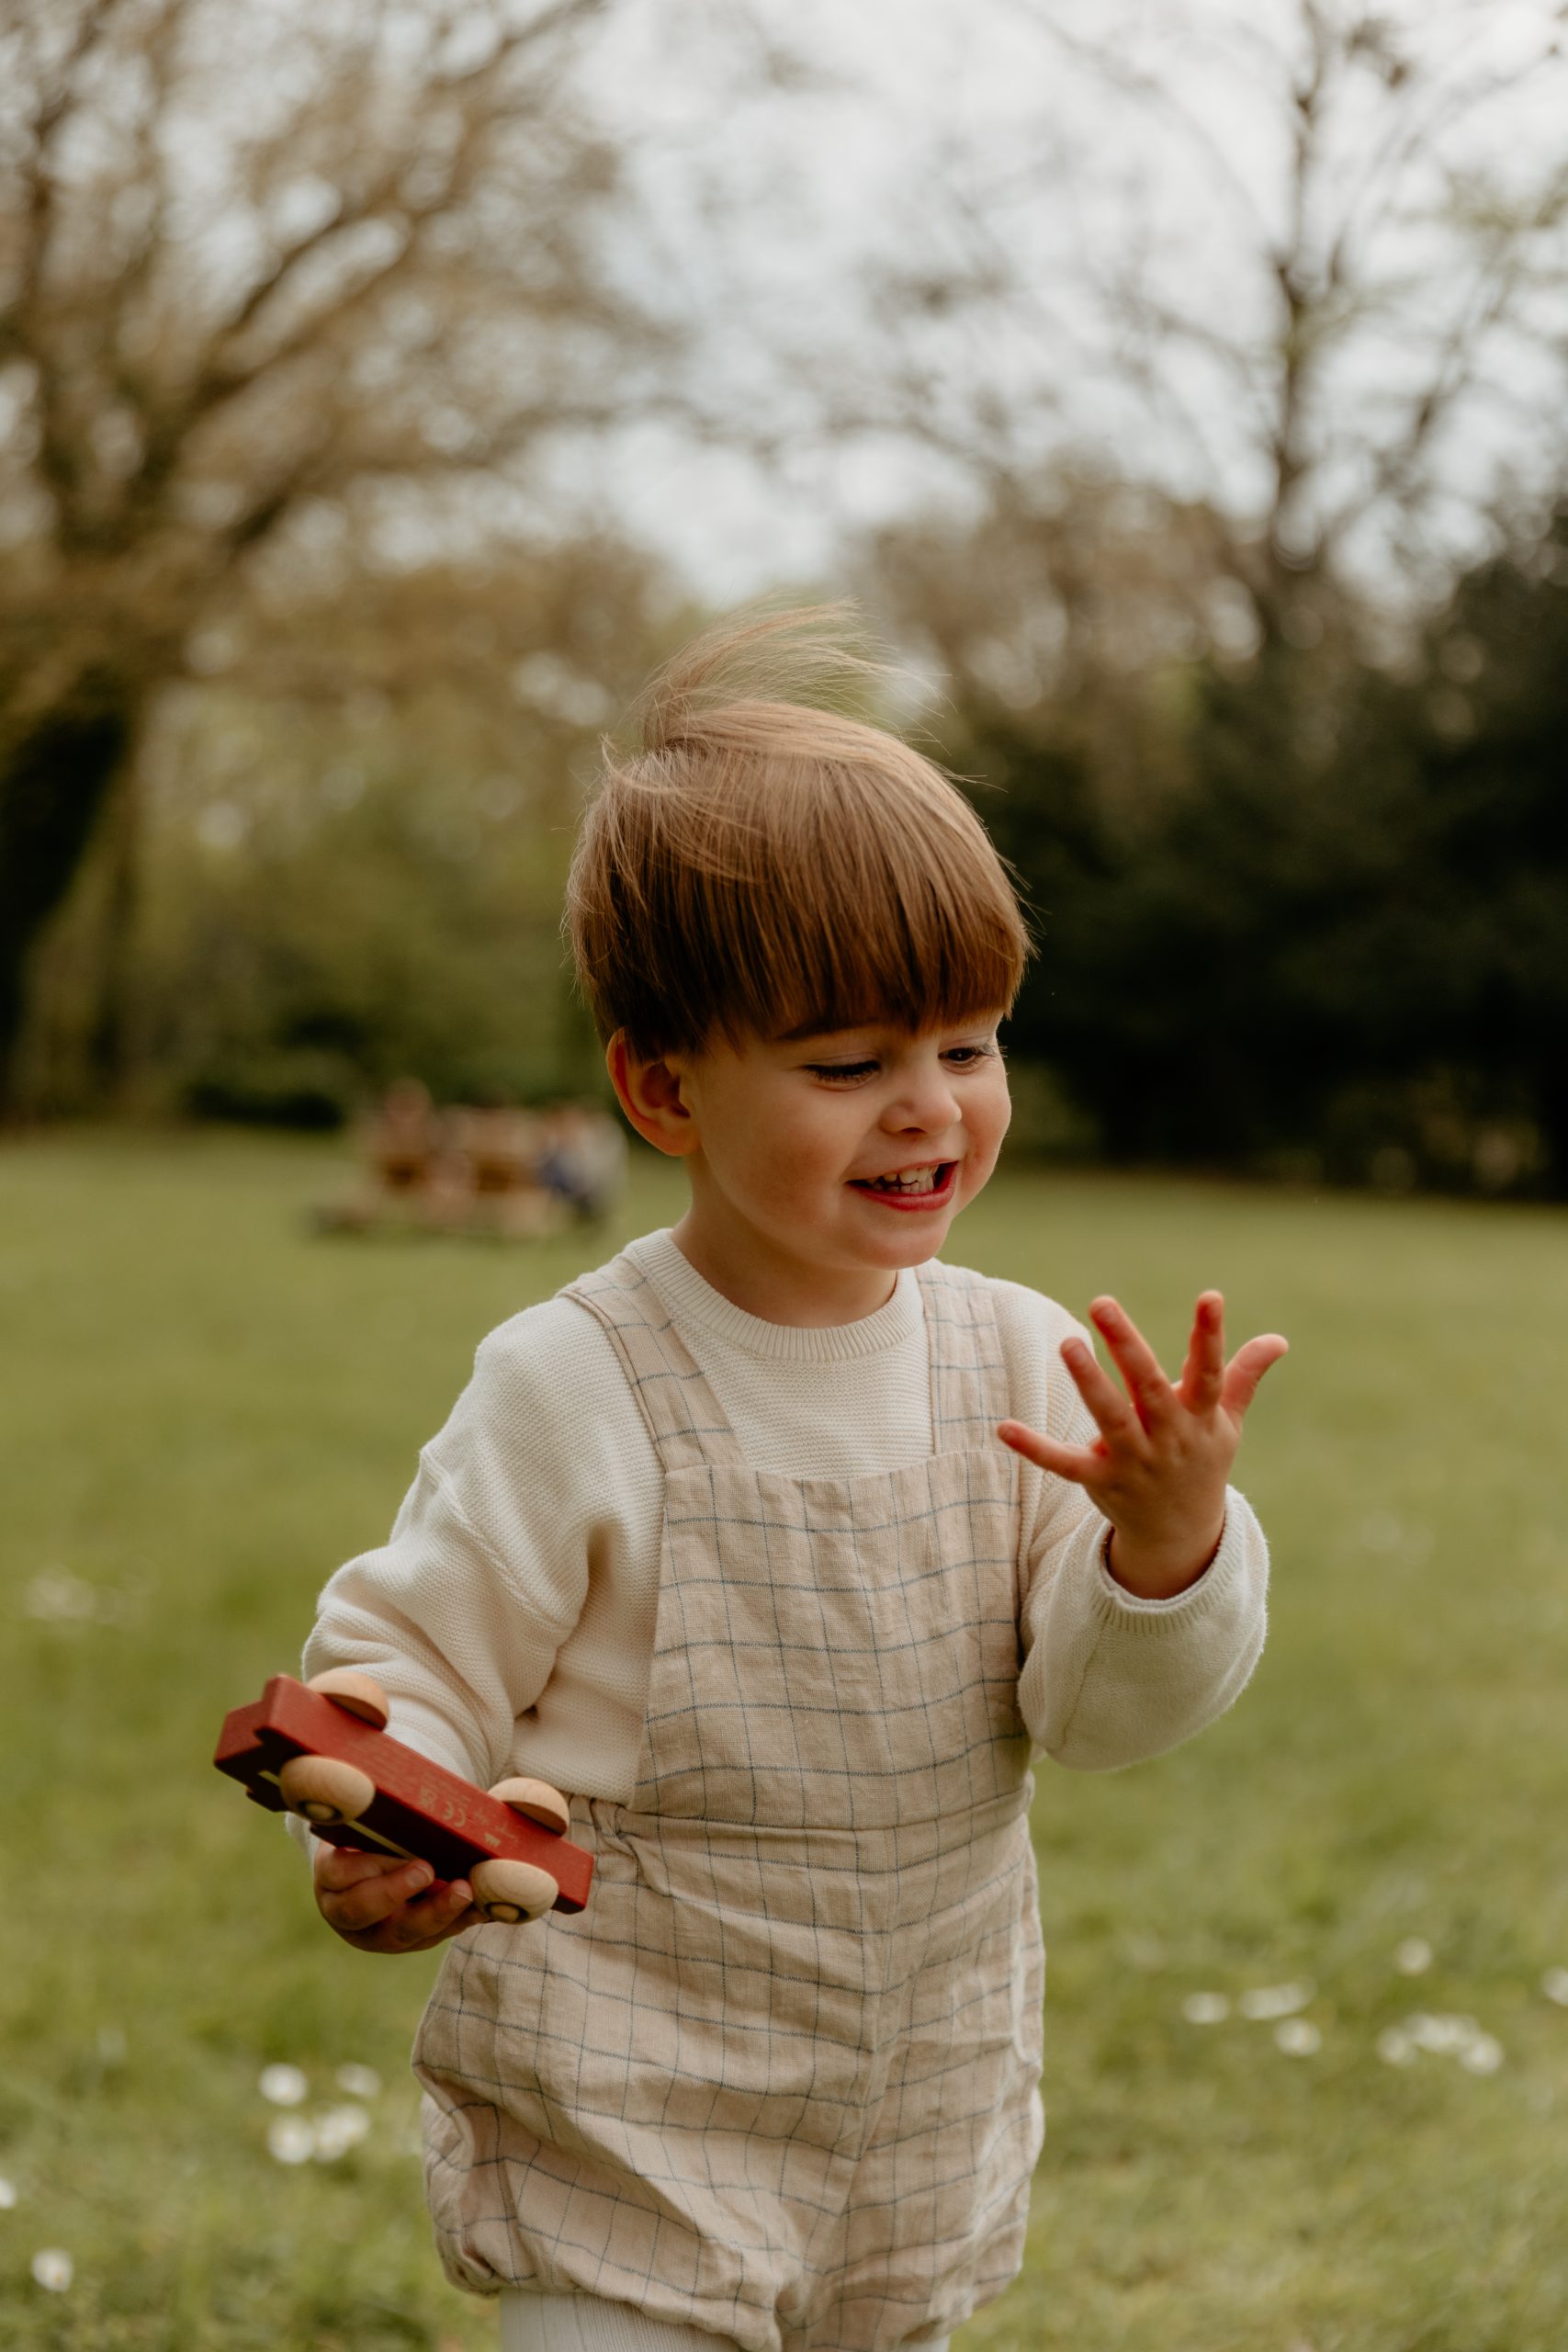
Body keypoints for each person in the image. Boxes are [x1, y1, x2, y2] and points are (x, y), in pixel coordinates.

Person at [297, 605, 1287, 2352]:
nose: (927, 1109)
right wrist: (402, 1818)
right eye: (848, 1065)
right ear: (660, 1087)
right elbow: (418, 1660)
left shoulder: (1018, 1362)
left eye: (969, 1045)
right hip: (637, 2104)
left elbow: (1104, 1714)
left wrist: (1165, 1538)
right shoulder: (575, 1379)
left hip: (916, 2102)